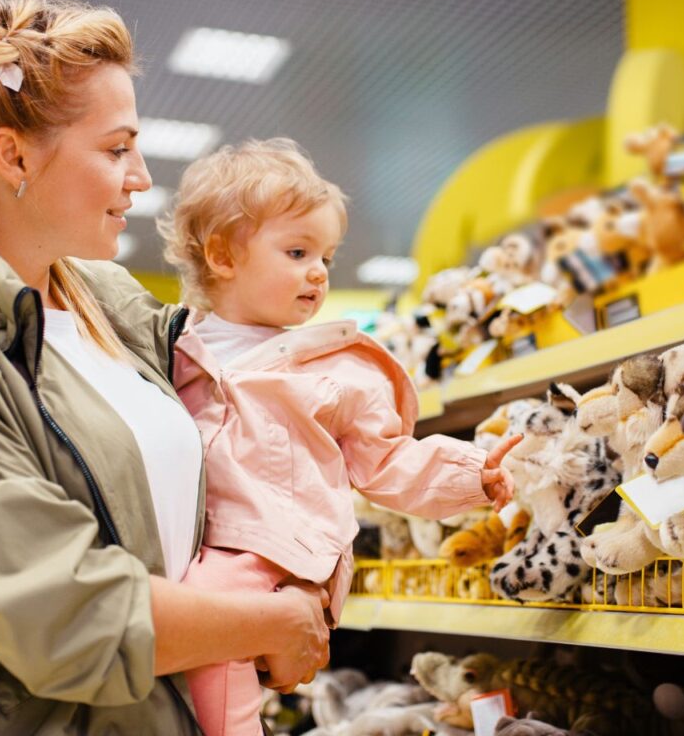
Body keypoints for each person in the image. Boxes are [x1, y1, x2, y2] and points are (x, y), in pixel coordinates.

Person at [0, 0, 329, 734]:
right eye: (117, 149)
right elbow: (64, 607)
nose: (141, 177)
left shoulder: (106, 307)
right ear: (14, 156)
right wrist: (268, 625)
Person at [158, 138, 519, 736]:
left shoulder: (335, 368)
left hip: (277, 555)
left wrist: (471, 474)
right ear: (222, 254)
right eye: (298, 251)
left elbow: (388, 461)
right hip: (204, 543)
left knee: (212, 645)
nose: (319, 271)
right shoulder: (174, 350)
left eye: (326, 254)